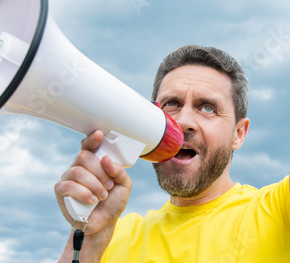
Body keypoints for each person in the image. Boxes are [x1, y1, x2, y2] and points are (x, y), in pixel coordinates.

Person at [55, 45, 290, 262]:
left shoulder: (277, 210)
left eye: (208, 108)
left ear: (238, 133)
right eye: (171, 104)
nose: (184, 121)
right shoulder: (113, 235)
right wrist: (89, 240)